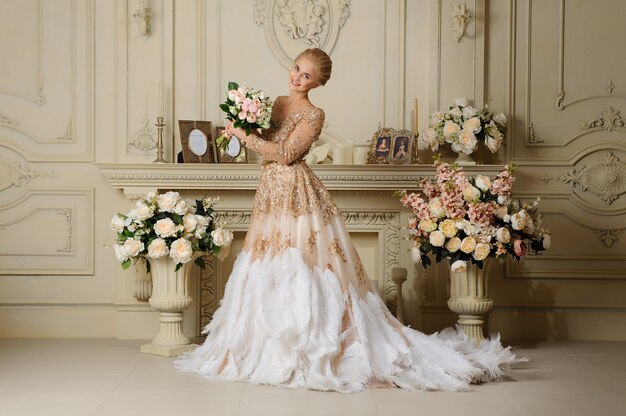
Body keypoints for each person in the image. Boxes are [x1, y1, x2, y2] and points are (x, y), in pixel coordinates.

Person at [175, 48, 520, 393]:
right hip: (269, 193)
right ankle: (262, 347)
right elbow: (264, 146)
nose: (297, 77)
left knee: (304, 264)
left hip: (297, 191)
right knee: (267, 262)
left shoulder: (313, 114)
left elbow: (285, 154)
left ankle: (311, 348)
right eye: (296, 69)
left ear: (318, 83)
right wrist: (244, 123)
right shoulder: (273, 103)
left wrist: (241, 133)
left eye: (306, 75)